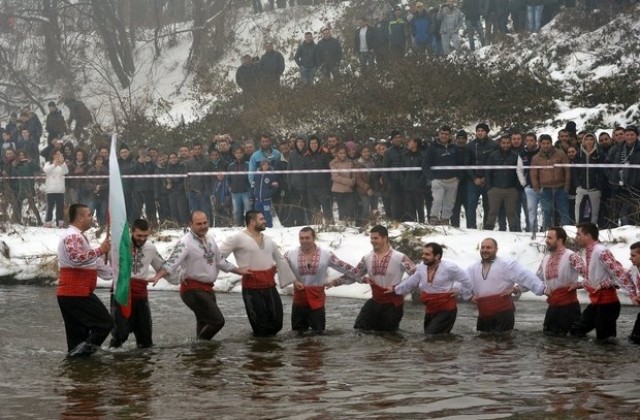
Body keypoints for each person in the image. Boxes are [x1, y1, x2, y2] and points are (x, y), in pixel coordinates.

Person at [159, 211, 248, 340]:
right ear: (191, 224)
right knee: (218, 321)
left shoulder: (210, 238)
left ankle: (201, 355)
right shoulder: (185, 242)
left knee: (204, 321)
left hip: (207, 289)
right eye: (199, 224)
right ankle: (199, 346)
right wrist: (158, 276)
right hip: (192, 290)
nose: (203, 226)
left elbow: (220, 260)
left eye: (205, 223)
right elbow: (172, 262)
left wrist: (238, 270)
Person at [220, 210, 295, 337]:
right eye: (261, 219)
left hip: (270, 287)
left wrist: (291, 282)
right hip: (251, 289)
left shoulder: (268, 239)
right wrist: (236, 269)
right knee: (260, 328)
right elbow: (217, 257)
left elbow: (280, 259)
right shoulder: (237, 238)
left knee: (277, 323)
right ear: (252, 221)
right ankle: (259, 353)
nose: (265, 221)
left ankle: (271, 352)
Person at [332, 225, 416, 332]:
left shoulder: (400, 257)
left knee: (387, 336)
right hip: (375, 301)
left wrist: (399, 287)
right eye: (371, 238)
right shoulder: (367, 258)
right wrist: (335, 282)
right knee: (359, 329)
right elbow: (355, 274)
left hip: (392, 304)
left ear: (385, 238)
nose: (372, 241)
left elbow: (416, 276)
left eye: (375, 238)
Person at [56, 203, 112, 357]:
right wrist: (100, 250)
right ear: (80, 218)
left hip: (73, 294)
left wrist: (119, 274)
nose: (91, 217)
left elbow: (95, 265)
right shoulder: (72, 235)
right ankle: (82, 356)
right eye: (89, 215)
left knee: (77, 340)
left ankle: (77, 370)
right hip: (75, 293)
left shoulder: (79, 236)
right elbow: (76, 259)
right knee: (105, 324)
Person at [571, 222, 638, 343]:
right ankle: (588, 358)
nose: (576, 237)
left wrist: (632, 294)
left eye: (578, 234)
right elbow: (594, 278)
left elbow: (619, 273)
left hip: (608, 305)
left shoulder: (601, 251)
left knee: (606, 342)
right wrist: (577, 285)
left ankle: (609, 360)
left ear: (588, 236)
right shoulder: (589, 251)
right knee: (576, 330)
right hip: (597, 303)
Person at [388, 242, 472, 335]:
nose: (423, 256)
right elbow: (411, 282)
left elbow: (467, 279)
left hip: (446, 309)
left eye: (427, 254)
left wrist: (459, 289)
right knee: (432, 338)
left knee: (431, 337)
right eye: (423, 253)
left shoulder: (449, 268)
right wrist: (395, 289)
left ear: (437, 256)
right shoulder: (421, 268)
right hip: (430, 308)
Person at [285, 227, 355, 333]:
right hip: (299, 300)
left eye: (307, 238)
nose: (304, 241)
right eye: (301, 238)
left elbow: (349, 270)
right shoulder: (290, 254)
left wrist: (336, 282)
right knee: (297, 335)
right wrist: (294, 281)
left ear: (314, 238)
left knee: (318, 335)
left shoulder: (326, 254)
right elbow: (280, 269)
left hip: (317, 299)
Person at [467, 238, 545, 333]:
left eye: (488, 247)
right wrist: (469, 295)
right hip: (483, 313)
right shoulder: (473, 267)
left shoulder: (507, 265)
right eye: (482, 247)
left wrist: (542, 289)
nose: (485, 250)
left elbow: (526, 277)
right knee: (482, 342)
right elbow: (463, 281)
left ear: (496, 249)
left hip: (502, 313)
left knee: (503, 344)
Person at [536, 227, 586, 336]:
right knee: (549, 341)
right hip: (552, 307)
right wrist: (516, 289)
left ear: (559, 240)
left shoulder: (572, 256)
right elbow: (535, 279)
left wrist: (578, 284)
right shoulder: (545, 259)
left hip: (569, 308)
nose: (546, 240)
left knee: (570, 344)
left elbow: (591, 277)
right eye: (546, 237)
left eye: (549, 238)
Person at [43, 150, 68, 228]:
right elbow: (46, 171)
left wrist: (62, 163)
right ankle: (48, 222)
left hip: (60, 189)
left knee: (60, 207)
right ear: (53, 155)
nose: (58, 156)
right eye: (56, 154)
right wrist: (54, 164)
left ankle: (60, 222)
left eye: (59, 154)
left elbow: (66, 172)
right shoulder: (48, 163)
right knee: (50, 207)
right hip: (50, 189)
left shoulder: (63, 164)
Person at [626, 242, 640, 344]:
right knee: (634, 340)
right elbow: (625, 281)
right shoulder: (633, 269)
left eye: (633, 255)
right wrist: (634, 295)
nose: (630, 258)